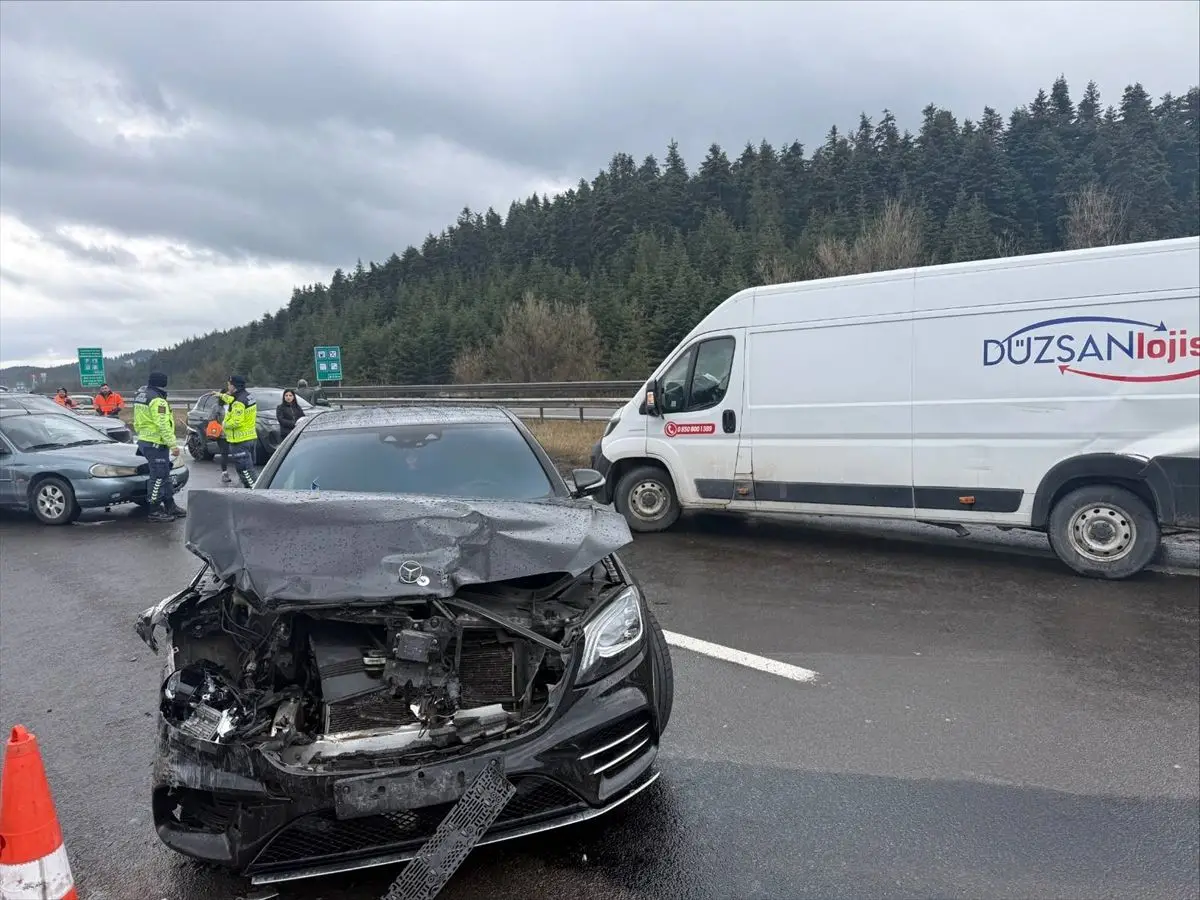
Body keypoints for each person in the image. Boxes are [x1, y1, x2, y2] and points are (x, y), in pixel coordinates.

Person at [133, 371, 186, 522]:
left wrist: (142, 435)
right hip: (156, 442)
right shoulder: (158, 400)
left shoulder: (141, 396)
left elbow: (137, 421)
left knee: (165, 476)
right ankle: (154, 509)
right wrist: (173, 445)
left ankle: (170, 505)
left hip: (146, 440)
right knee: (158, 477)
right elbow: (162, 424)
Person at [216, 375, 258, 488]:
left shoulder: (238, 402)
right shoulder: (247, 396)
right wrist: (220, 395)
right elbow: (231, 399)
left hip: (240, 440)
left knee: (245, 471)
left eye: (229, 385)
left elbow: (236, 422)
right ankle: (253, 490)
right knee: (249, 469)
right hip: (250, 437)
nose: (228, 387)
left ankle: (254, 492)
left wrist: (224, 424)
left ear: (234, 386)